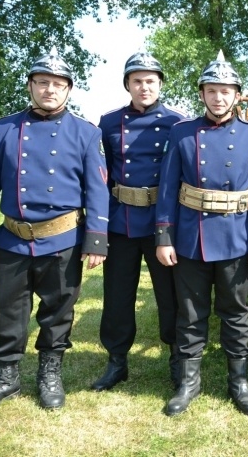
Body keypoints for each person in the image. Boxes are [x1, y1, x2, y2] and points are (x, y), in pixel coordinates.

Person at [0, 49, 109, 415]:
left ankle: (50, 372)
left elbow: (97, 190)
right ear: (30, 85)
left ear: (68, 91)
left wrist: (96, 239)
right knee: (6, 309)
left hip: (63, 239)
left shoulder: (86, 133)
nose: (50, 90)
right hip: (13, 238)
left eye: (58, 85)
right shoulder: (3, 130)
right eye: (43, 82)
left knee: (58, 310)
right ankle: (5, 376)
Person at [155, 51, 248, 416]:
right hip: (191, 237)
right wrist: (164, 237)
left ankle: (238, 381)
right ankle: (188, 383)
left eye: (225, 91)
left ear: (237, 95)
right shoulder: (181, 132)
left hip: (235, 238)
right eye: (211, 90)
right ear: (202, 94)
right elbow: (167, 188)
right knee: (190, 313)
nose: (218, 98)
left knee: (236, 312)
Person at [91, 52, 185, 392]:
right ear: (127, 85)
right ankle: (117, 361)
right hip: (121, 221)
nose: (144, 87)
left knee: (170, 295)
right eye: (137, 81)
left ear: (160, 84)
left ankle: (176, 358)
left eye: (150, 80)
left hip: (162, 223)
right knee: (117, 295)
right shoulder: (109, 122)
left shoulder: (178, 123)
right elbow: (100, 175)